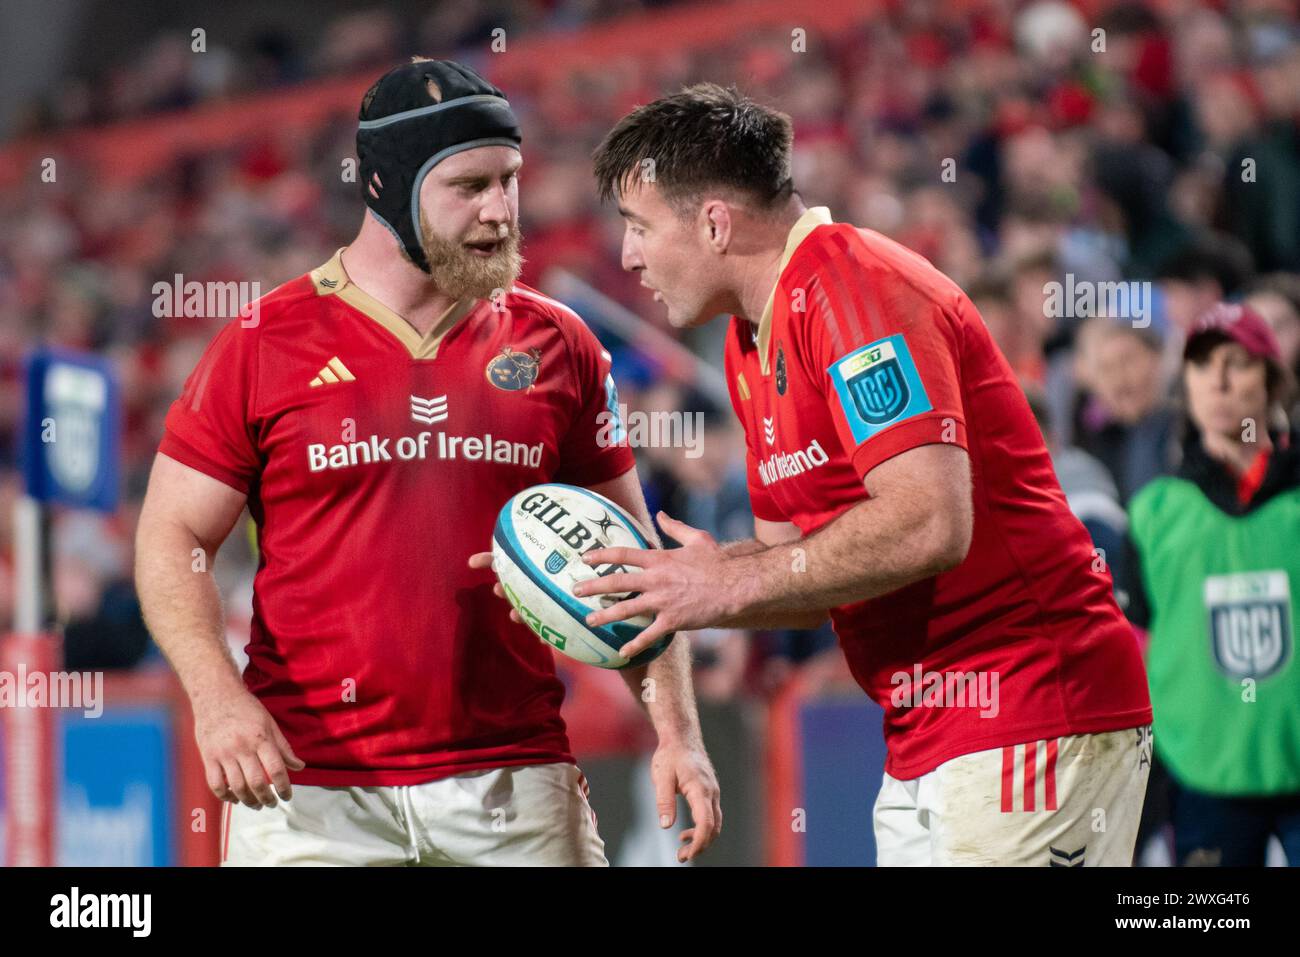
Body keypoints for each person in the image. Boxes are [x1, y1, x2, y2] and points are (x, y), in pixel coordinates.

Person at [134, 58, 719, 867]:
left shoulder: (560, 344)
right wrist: (216, 696)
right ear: (389, 189)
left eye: (510, 180)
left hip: (515, 784)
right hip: (311, 792)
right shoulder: (263, 342)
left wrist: (677, 733)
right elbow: (173, 538)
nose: (500, 211)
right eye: (470, 186)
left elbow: (634, 561)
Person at [575, 83, 1152, 865]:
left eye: (638, 227)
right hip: (927, 731)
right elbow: (794, 572)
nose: (627, 256)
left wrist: (723, 583)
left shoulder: (855, 288)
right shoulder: (750, 344)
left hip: (1029, 702)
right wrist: (661, 587)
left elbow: (930, 520)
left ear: (714, 221)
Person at [1123, 302, 1300, 866]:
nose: (1218, 382)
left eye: (1237, 363)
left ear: (1273, 382)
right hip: (1201, 772)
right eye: (1201, 366)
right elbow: (1136, 643)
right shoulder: (1155, 510)